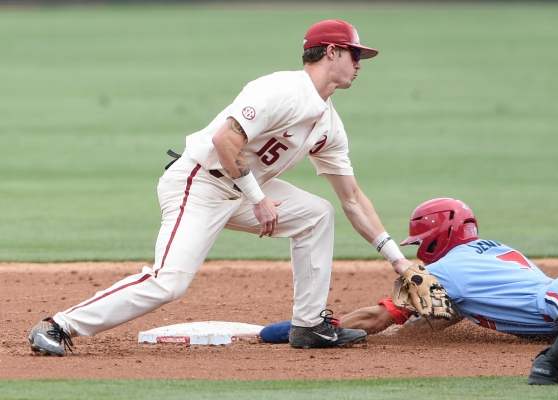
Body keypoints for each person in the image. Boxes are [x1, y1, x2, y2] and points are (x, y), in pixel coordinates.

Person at [28, 19, 415, 356]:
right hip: (199, 184)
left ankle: (310, 326)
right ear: (331, 51)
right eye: (355, 54)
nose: (359, 64)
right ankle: (57, 325)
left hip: (244, 192)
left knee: (317, 214)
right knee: (169, 282)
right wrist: (260, 199)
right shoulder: (282, 90)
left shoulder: (329, 125)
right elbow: (223, 142)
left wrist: (399, 261)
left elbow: (352, 198)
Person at [260, 198, 558, 384]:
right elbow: (451, 309)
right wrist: (409, 333)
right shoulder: (490, 249)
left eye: (422, 241)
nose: (421, 251)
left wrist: (315, 328)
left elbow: (378, 318)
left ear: (439, 236)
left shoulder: (442, 271)